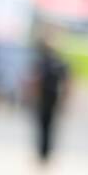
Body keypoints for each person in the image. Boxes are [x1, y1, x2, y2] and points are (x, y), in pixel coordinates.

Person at [31, 35, 69, 165]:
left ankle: (44, 153)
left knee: (45, 126)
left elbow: (36, 81)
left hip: (47, 97)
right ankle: (44, 153)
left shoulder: (45, 62)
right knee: (47, 126)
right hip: (51, 97)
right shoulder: (58, 62)